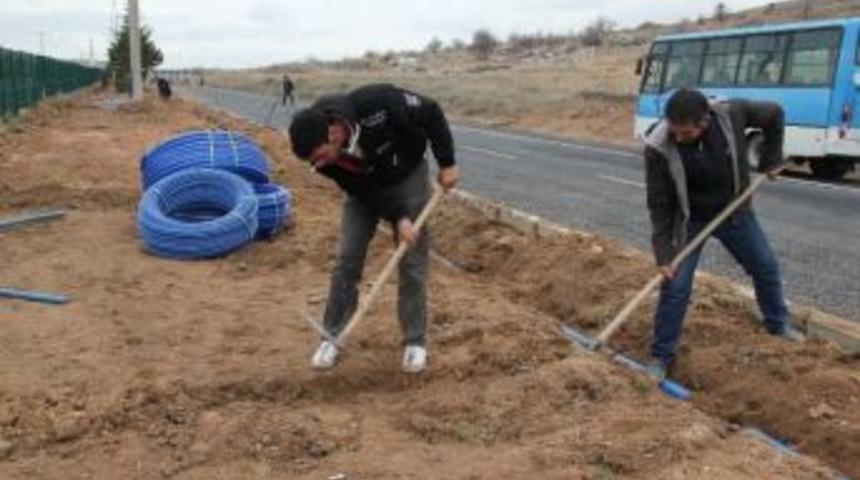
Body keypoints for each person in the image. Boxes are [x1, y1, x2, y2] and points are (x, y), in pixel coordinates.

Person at [288, 83, 459, 373]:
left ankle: (414, 341)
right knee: (347, 259)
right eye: (312, 162)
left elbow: (431, 112)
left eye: (318, 156)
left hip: (407, 175)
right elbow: (363, 189)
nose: (316, 166)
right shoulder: (325, 162)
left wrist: (447, 162)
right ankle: (332, 335)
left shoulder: (378, 103)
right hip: (367, 188)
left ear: (333, 133)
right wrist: (399, 218)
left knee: (412, 260)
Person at [642, 88, 804, 381]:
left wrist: (771, 159)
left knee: (765, 266)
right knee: (676, 286)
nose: (678, 138)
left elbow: (774, 114)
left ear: (704, 121)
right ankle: (661, 356)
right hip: (689, 221)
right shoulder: (658, 147)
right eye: (675, 131)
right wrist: (664, 253)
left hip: (734, 212)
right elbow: (659, 203)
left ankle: (777, 324)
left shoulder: (732, 114)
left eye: (686, 133)